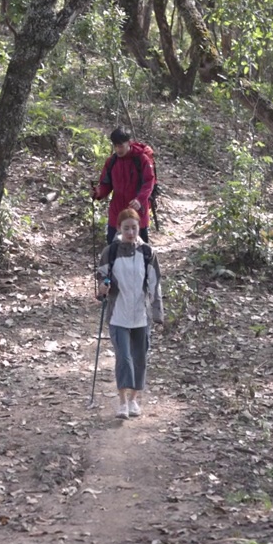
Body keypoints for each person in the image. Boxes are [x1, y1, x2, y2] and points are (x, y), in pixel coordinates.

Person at [95, 208, 163, 419]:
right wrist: (102, 289)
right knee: (124, 358)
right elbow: (101, 278)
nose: (131, 232)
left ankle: (134, 400)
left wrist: (157, 311)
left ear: (139, 227)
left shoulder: (147, 253)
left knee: (140, 358)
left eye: (134, 228)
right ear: (119, 228)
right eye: (127, 228)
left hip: (141, 316)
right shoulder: (111, 251)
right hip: (118, 315)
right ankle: (122, 403)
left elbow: (155, 284)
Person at [92, 127, 156, 244]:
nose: (118, 149)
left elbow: (149, 182)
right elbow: (106, 184)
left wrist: (140, 200)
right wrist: (98, 192)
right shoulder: (111, 161)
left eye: (120, 146)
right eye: (115, 146)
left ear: (129, 142)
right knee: (112, 249)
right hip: (116, 213)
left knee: (141, 251)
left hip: (138, 212)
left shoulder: (142, 160)